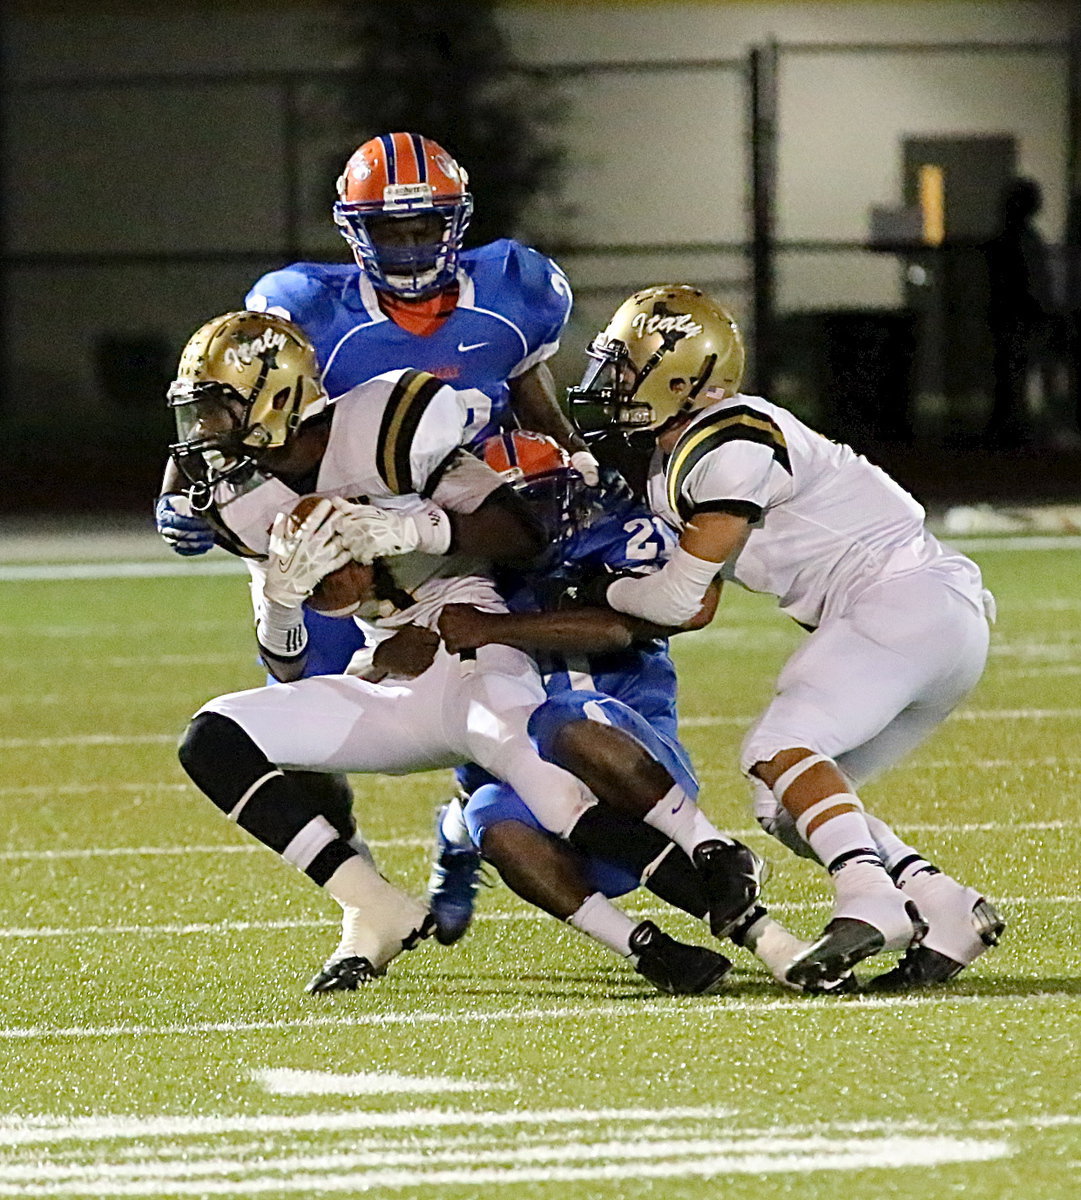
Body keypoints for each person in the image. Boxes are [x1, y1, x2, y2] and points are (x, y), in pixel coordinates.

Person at [169, 310, 750, 996]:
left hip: (467, 639)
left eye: (218, 410)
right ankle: (371, 903)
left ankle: (733, 914)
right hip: (389, 667)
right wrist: (284, 601)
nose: (204, 433)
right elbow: (288, 669)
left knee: (543, 786)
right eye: (199, 413)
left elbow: (519, 535)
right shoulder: (235, 496)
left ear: (276, 397)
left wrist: (408, 528)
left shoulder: (385, 422)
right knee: (213, 737)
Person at [155, 131, 597, 925]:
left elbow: (532, 394)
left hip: (458, 530)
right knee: (296, 723)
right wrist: (178, 492)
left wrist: (570, 461)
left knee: (496, 709)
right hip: (327, 543)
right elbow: (219, 398)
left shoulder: (515, 289)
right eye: (389, 229)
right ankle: (358, 888)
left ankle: (466, 832)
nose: (407, 245)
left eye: (423, 225)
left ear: (456, 222)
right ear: (351, 228)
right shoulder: (305, 307)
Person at [563, 284, 1006, 991]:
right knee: (785, 804)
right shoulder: (675, 462)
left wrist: (597, 591)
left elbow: (677, 598)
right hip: (921, 617)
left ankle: (869, 901)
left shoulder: (731, 434)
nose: (606, 385)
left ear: (680, 377)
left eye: (625, 368)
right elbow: (698, 600)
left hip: (902, 598)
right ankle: (944, 907)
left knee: (776, 748)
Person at [438, 430, 813, 989]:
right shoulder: (457, 570)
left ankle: (716, 856)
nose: (532, 520)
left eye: (541, 498)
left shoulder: (618, 537)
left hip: (638, 768)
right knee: (490, 813)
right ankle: (647, 951)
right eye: (517, 506)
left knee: (564, 717)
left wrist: (493, 628)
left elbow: (622, 628)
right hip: (541, 792)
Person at [985, 176, 1054, 448]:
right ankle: (1010, 426)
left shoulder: (1018, 239)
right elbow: (1030, 281)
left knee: (1015, 371)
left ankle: (1012, 424)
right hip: (1018, 314)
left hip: (1017, 315)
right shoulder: (1016, 241)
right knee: (1013, 371)